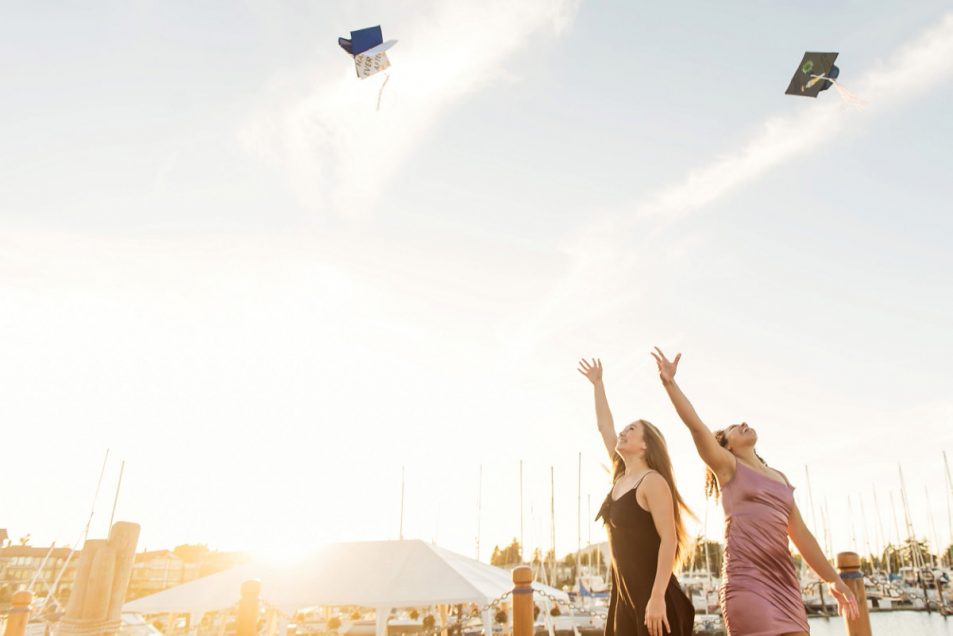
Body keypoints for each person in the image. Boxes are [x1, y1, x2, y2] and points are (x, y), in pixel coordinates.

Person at [651, 347, 859, 636]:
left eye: (743, 423)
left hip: (785, 586)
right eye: (735, 428)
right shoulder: (727, 467)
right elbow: (697, 428)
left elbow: (801, 535)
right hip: (746, 583)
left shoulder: (780, 478)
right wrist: (670, 383)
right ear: (726, 446)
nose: (743, 424)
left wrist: (833, 579)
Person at [578, 358, 694, 636]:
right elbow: (605, 427)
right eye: (625, 427)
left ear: (645, 445)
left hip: (654, 598)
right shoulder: (620, 478)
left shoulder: (652, 482)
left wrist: (656, 598)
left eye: (631, 429)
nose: (623, 432)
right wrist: (598, 384)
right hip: (624, 596)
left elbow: (669, 539)